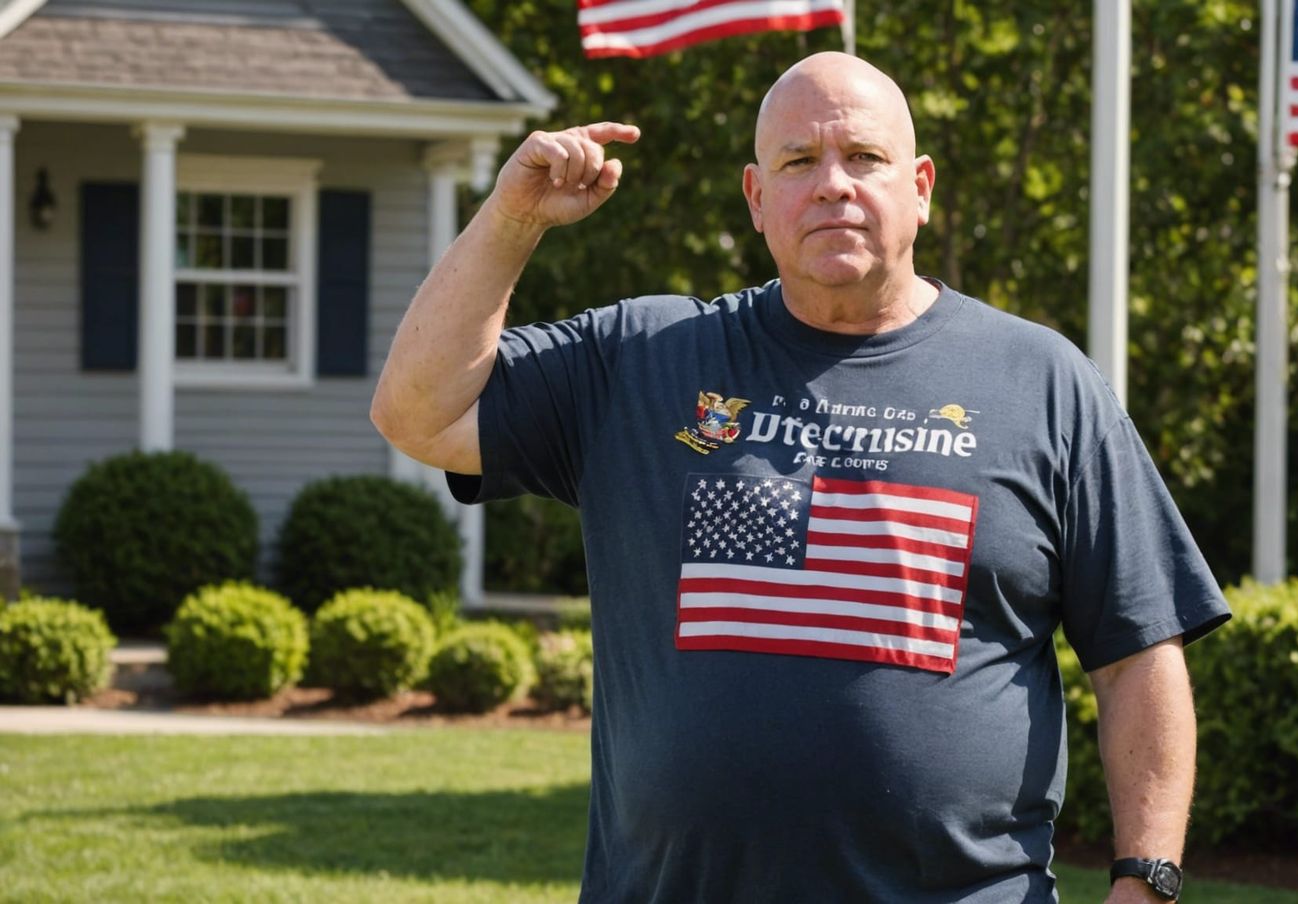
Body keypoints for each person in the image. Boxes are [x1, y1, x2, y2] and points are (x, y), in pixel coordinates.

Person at [371, 51, 1230, 904]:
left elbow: (1137, 658)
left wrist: (1145, 883)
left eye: (863, 157)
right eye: (797, 161)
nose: (831, 184)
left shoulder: (1042, 382)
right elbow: (417, 412)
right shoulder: (641, 362)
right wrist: (513, 218)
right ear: (755, 198)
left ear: (920, 187)